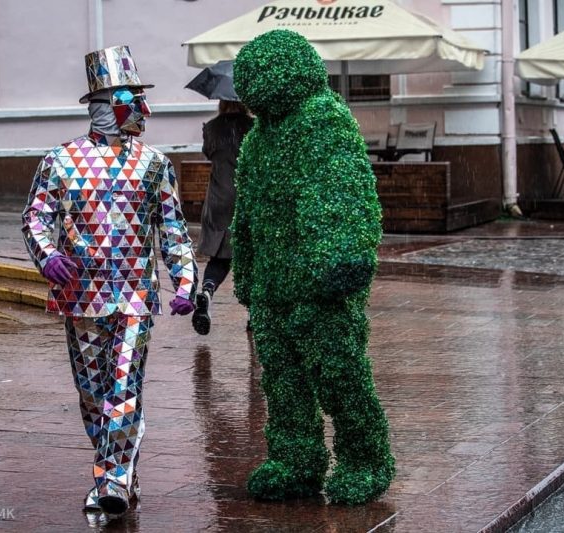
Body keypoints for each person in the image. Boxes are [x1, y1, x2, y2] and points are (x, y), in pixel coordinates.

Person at [21, 45, 197, 519]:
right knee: (92, 393)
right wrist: (48, 256)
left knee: (123, 385)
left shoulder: (155, 164)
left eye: (140, 99)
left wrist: (184, 281)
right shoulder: (60, 161)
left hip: (135, 295)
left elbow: (172, 227)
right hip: (80, 296)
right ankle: (123, 469)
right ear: (105, 106)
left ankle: (111, 480)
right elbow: (35, 217)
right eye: (131, 99)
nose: (142, 110)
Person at [231, 30, 395, 505]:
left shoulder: (322, 118)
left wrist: (343, 258)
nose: (253, 84)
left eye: (262, 73)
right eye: (248, 76)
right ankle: (296, 460)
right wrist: (246, 272)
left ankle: (365, 460)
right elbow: (248, 214)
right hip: (272, 287)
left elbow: (342, 190)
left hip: (319, 284)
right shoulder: (258, 139)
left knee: (339, 375)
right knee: (283, 381)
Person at [191, 100, 253, 336]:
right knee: (250, 255)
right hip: (246, 196)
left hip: (218, 198)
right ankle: (254, 312)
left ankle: (207, 290)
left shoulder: (212, 127)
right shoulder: (252, 127)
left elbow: (209, 152)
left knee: (219, 257)